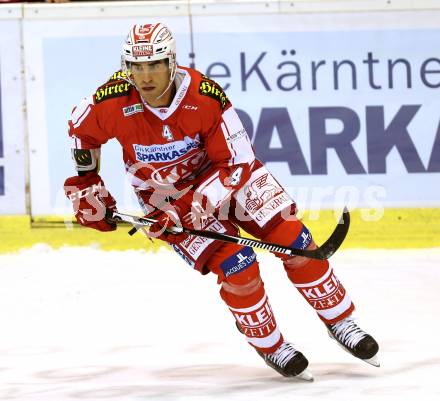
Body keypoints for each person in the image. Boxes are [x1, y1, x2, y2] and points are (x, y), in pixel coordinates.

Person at [64, 23, 379, 380]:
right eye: (137, 67)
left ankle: (342, 322)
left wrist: (189, 208)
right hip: (164, 195)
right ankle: (272, 345)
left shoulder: (205, 96)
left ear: (172, 62)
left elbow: (236, 162)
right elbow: (81, 130)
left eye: (154, 65)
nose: (146, 76)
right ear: (127, 67)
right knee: (238, 266)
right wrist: (86, 187)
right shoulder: (111, 101)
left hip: (226, 174)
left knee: (294, 240)